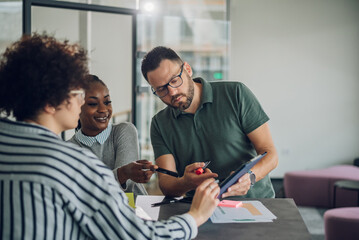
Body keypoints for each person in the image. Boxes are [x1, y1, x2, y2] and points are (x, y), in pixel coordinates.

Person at [0, 34, 220, 239]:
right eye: (77, 94)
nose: (80, 102)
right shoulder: (73, 165)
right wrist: (196, 216)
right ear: (50, 103)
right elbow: (138, 236)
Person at [141, 46, 278, 198]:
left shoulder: (236, 93)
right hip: (200, 210)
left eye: (174, 80)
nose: (172, 92)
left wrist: (250, 177)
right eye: (161, 90)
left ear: (187, 69)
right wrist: (186, 182)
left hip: (255, 203)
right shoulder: (160, 124)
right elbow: (166, 183)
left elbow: (270, 154)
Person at [68, 74, 152, 196]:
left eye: (107, 102)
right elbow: (82, 191)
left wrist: (125, 174)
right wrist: (123, 173)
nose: (103, 109)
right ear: (77, 108)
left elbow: (127, 184)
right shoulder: (69, 148)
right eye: (93, 104)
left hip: (135, 211)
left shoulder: (124, 131)